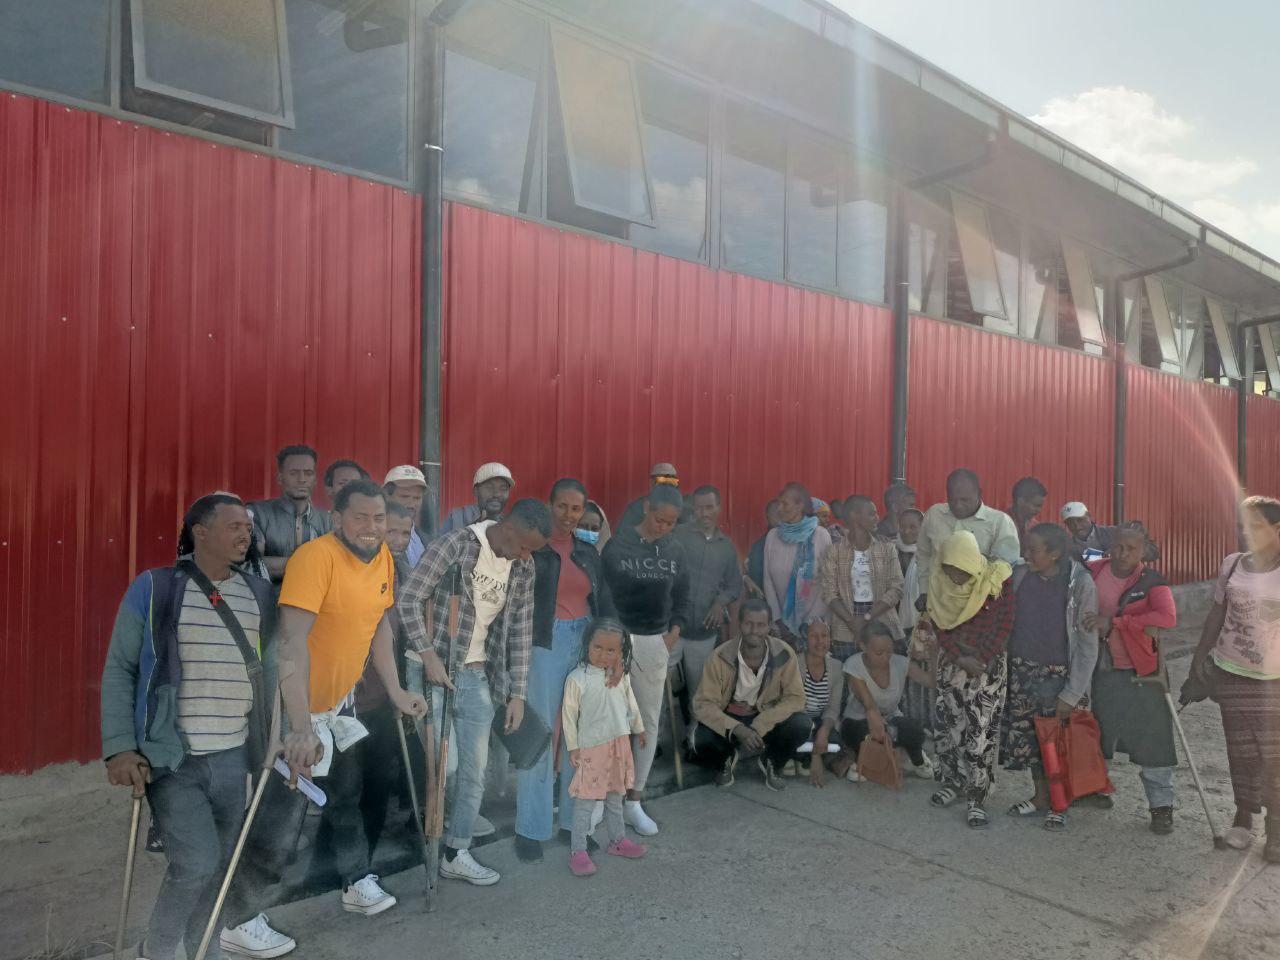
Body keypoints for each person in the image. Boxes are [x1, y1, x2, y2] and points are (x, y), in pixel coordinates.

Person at [101, 494, 294, 960]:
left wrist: (278, 738)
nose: (245, 533)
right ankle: (160, 949)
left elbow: (274, 676)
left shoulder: (260, 594)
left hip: (234, 757)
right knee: (196, 863)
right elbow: (120, 669)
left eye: (247, 526)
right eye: (232, 525)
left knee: (220, 865)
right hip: (173, 759)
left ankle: (200, 946)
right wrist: (120, 747)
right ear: (200, 532)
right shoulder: (154, 588)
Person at [273, 480, 427, 922]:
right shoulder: (315, 558)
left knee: (346, 795)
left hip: (338, 706)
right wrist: (299, 725)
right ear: (336, 518)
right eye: (360, 517)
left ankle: (354, 881)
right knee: (279, 812)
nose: (371, 527)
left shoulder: (383, 559)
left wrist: (396, 691)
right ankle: (238, 913)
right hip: (290, 708)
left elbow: (379, 626)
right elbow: (290, 644)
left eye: (378, 518)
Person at [396, 498, 550, 884]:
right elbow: (409, 599)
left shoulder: (524, 567)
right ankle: (430, 834)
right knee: (443, 767)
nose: (527, 556)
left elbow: (520, 630)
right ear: (508, 528)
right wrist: (428, 653)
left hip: (477, 676)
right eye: (525, 546)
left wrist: (518, 694)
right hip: (430, 669)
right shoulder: (454, 545)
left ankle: (456, 850)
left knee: (473, 772)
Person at [515, 479, 616, 863]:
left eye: (576, 509)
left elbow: (605, 602)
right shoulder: (534, 551)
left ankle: (573, 825)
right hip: (545, 643)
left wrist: (611, 648)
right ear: (549, 505)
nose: (569, 516)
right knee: (542, 732)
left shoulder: (589, 553)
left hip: (585, 639)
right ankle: (531, 828)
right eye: (562, 506)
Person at [1189, 496, 1280, 860]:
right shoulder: (1232, 565)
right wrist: (1199, 656)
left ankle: (1276, 828)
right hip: (1232, 672)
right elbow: (1217, 613)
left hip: (1274, 679)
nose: (1247, 533)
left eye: (1256, 525)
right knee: (1240, 751)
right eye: (1243, 525)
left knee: (1273, 755)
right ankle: (1244, 817)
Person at [600, 485, 691, 837]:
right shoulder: (617, 546)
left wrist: (673, 634)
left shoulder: (676, 550)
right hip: (617, 639)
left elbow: (683, 595)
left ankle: (633, 801)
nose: (662, 527)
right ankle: (604, 797)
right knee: (610, 720)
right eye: (658, 519)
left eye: (670, 523)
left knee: (647, 723)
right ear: (647, 507)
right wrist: (612, 640)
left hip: (656, 641)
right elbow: (604, 595)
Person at [1001, 523, 1099, 831]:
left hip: (1057, 676)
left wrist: (1071, 693)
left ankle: (1060, 803)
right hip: (1021, 672)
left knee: (1057, 744)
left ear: (1055, 553)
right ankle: (1041, 796)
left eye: (1033, 550)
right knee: (1031, 742)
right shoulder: (1019, 576)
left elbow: (1086, 644)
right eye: (1025, 548)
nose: (1025, 554)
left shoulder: (1080, 583)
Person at [1083, 527, 1178, 834]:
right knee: (1099, 732)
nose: (1123, 555)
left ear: (1144, 551)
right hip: (1102, 669)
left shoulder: (1152, 581)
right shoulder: (1093, 571)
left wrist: (1118, 623)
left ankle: (1161, 807)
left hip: (1142, 673)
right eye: (1118, 547)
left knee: (1153, 741)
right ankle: (1097, 789)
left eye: (1131, 549)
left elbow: (1167, 618)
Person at [926, 531, 1015, 829]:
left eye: (960, 571)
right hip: (952, 664)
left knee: (980, 733)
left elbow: (1006, 622)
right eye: (949, 569)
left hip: (987, 667)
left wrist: (984, 658)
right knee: (949, 726)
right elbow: (939, 624)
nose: (954, 576)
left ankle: (978, 797)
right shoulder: (938, 581)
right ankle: (953, 781)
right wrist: (958, 656)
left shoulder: (998, 580)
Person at [690, 599, 809, 791]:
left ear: (769, 626)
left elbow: (796, 698)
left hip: (765, 716)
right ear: (739, 624)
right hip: (730, 718)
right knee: (699, 739)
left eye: (761, 625)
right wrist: (736, 728)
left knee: (802, 724)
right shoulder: (719, 656)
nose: (754, 630)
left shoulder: (784, 654)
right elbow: (703, 704)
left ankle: (772, 761)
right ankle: (725, 759)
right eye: (748, 624)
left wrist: (761, 724)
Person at [562, 618, 650, 876]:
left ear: (620, 652)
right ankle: (577, 851)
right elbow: (569, 716)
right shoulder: (577, 679)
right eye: (597, 647)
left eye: (611, 650)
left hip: (619, 746)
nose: (603, 654)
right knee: (585, 804)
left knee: (615, 798)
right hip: (592, 749)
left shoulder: (619, 677)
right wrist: (573, 747)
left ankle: (617, 841)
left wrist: (640, 728)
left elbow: (630, 703)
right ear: (587, 644)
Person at [672, 486, 743, 705]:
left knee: (699, 692)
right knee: (660, 689)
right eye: (700, 508)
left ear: (719, 508)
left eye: (709, 507)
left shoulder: (727, 548)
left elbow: (734, 585)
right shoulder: (678, 535)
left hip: (704, 631)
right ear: (693, 508)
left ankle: (695, 737)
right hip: (671, 628)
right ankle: (661, 738)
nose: (705, 513)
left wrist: (720, 603)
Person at [841, 623, 934, 782]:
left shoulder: (901, 662)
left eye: (889, 651)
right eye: (879, 653)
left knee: (916, 731)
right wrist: (884, 729)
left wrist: (934, 653)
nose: (885, 658)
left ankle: (916, 757)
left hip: (891, 719)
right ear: (863, 646)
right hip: (858, 720)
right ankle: (862, 761)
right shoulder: (853, 664)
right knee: (867, 734)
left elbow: (930, 681)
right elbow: (870, 706)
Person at [916, 469, 1020, 610]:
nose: (958, 505)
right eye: (952, 499)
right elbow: (924, 555)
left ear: (979, 494)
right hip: (937, 603)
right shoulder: (934, 515)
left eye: (965, 500)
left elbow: (1004, 569)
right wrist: (924, 591)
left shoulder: (999, 522)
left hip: (978, 608)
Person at [819, 495, 904, 661]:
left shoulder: (887, 549)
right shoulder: (834, 551)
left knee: (885, 682)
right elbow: (829, 591)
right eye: (872, 514)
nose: (877, 518)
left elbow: (896, 588)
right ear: (854, 516)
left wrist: (867, 618)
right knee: (849, 682)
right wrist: (851, 621)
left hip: (883, 625)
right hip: (845, 631)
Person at [763, 483, 832, 647]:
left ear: (800, 506)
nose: (779, 508)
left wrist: (809, 623)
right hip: (780, 629)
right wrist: (778, 620)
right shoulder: (772, 536)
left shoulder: (821, 536)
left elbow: (828, 581)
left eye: (784, 504)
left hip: (814, 628)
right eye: (779, 503)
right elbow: (767, 580)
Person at [251, 444, 331, 585]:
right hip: (270, 603)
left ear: (315, 479)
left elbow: (336, 566)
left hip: (316, 603)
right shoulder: (258, 513)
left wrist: (280, 563)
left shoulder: (328, 520)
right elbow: (254, 565)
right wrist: (313, 564)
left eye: (308, 473)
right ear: (280, 478)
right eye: (294, 473)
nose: (302, 479)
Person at [897, 508, 934, 733]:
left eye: (913, 526)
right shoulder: (894, 551)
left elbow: (931, 597)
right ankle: (911, 728)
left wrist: (922, 637)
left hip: (923, 628)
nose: (908, 531)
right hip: (901, 627)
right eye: (903, 526)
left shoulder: (929, 554)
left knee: (923, 677)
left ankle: (926, 727)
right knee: (906, 680)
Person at [797, 619, 845, 786]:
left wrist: (823, 732)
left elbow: (832, 709)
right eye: (814, 636)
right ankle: (809, 756)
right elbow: (793, 707)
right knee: (794, 732)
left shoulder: (837, 668)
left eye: (824, 635)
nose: (820, 641)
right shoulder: (795, 664)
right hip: (797, 719)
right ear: (805, 640)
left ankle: (802, 756)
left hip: (819, 720)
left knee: (835, 740)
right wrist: (816, 755)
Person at [439, 462, 515, 535]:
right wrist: (476, 527)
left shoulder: (512, 525)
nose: (496, 494)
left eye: (503, 489)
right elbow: (440, 546)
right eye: (489, 487)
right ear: (476, 490)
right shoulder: (457, 517)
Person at [616, 462, 690, 532]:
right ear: (651, 482)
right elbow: (623, 534)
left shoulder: (685, 507)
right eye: (661, 480)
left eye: (669, 480)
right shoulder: (636, 507)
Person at [384, 465, 432, 566]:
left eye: (417, 498)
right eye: (405, 496)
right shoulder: (375, 537)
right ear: (387, 496)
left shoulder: (428, 541)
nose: (411, 504)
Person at [745, 500, 783, 599]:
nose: (780, 519)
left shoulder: (795, 543)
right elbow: (756, 586)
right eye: (777, 514)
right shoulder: (759, 547)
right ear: (767, 517)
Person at [1008, 477, 1047, 556]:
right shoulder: (998, 523)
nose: (1039, 510)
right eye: (1036, 505)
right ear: (1020, 502)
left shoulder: (1036, 527)